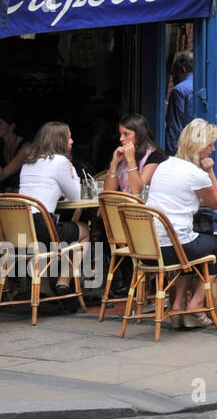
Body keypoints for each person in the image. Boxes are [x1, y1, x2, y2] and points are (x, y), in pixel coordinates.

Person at [145, 119, 217, 327]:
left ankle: (177, 304)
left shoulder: (164, 165)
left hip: (148, 248)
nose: (213, 149)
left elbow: (182, 195)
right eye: (210, 144)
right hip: (172, 248)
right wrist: (210, 171)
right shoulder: (195, 173)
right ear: (198, 145)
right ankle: (196, 302)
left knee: (192, 244)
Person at [18, 122, 88, 298]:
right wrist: (72, 173)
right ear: (60, 140)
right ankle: (64, 281)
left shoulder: (28, 163)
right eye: (69, 137)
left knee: (56, 232)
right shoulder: (60, 161)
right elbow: (75, 195)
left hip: (21, 229)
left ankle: (44, 288)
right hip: (42, 226)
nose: (72, 141)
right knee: (84, 231)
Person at [104, 114, 167, 198]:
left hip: (145, 208)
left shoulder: (155, 155)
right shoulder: (122, 155)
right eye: (120, 134)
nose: (121, 139)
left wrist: (130, 160)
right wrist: (114, 163)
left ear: (139, 135)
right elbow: (108, 193)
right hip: (123, 206)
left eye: (126, 134)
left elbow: (137, 191)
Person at [165, 52, 195, 154]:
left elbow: (174, 128)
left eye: (173, 73)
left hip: (184, 151)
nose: (172, 78)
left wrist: (171, 156)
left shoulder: (179, 90)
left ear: (182, 70)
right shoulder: (203, 85)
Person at [0, 110, 30, 190]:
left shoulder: (26, 147)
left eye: (0, 123)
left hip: (23, 196)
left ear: (11, 126)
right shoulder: (2, 145)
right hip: (6, 195)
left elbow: (2, 175)